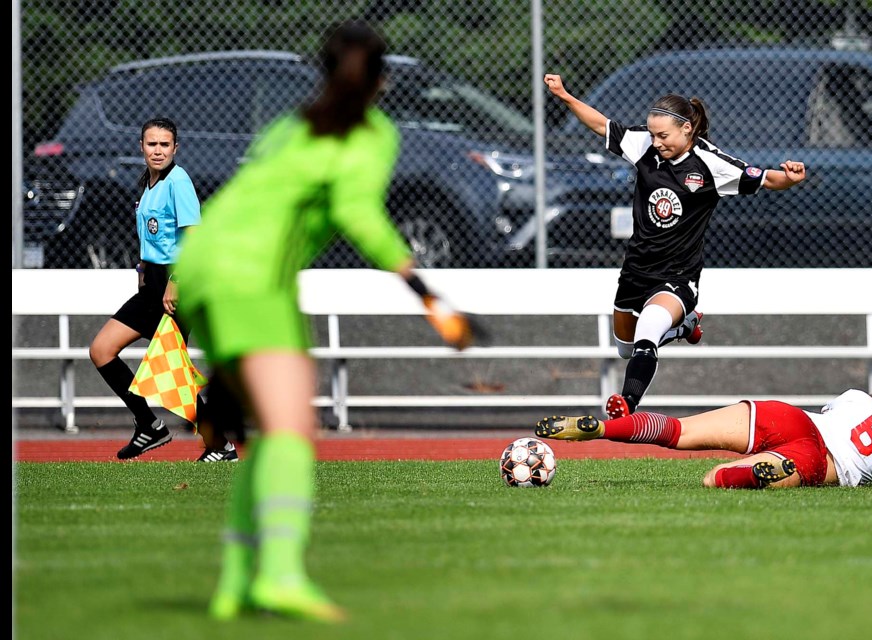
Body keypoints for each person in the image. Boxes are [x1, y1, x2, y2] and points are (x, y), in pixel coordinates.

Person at [174, 20, 478, 622]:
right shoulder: (370, 132)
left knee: (261, 432)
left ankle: (236, 582)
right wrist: (427, 294)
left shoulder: (291, 123)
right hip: (252, 278)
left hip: (201, 269)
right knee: (290, 428)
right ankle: (281, 576)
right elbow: (358, 213)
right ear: (383, 82)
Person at [543, 74, 807, 421]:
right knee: (626, 348)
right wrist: (565, 95)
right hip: (635, 271)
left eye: (663, 135)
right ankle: (683, 327)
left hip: (678, 275)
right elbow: (601, 125)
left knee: (649, 330)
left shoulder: (711, 164)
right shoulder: (645, 146)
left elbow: (767, 179)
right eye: (652, 134)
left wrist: (790, 177)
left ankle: (628, 403)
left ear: (686, 129)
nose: (656, 142)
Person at [88, 116, 237, 462]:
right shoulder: (149, 183)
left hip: (175, 285)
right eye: (151, 144)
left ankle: (221, 446)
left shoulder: (178, 180)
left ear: (175, 148)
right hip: (152, 285)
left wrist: (176, 282)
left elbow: (194, 238)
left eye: (164, 144)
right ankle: (148, 425)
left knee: (172, 376)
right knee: (102, 350)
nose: (157, 150)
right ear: (141, 147)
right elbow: (154, 236)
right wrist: (142, 268)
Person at [535, 388, 872, 489]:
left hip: (788, 417)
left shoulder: (857, 399)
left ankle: (604, 428)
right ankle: (755, 473)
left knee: (680, 430)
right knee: (713, 477)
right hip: (818, 460)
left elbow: (828, 414)